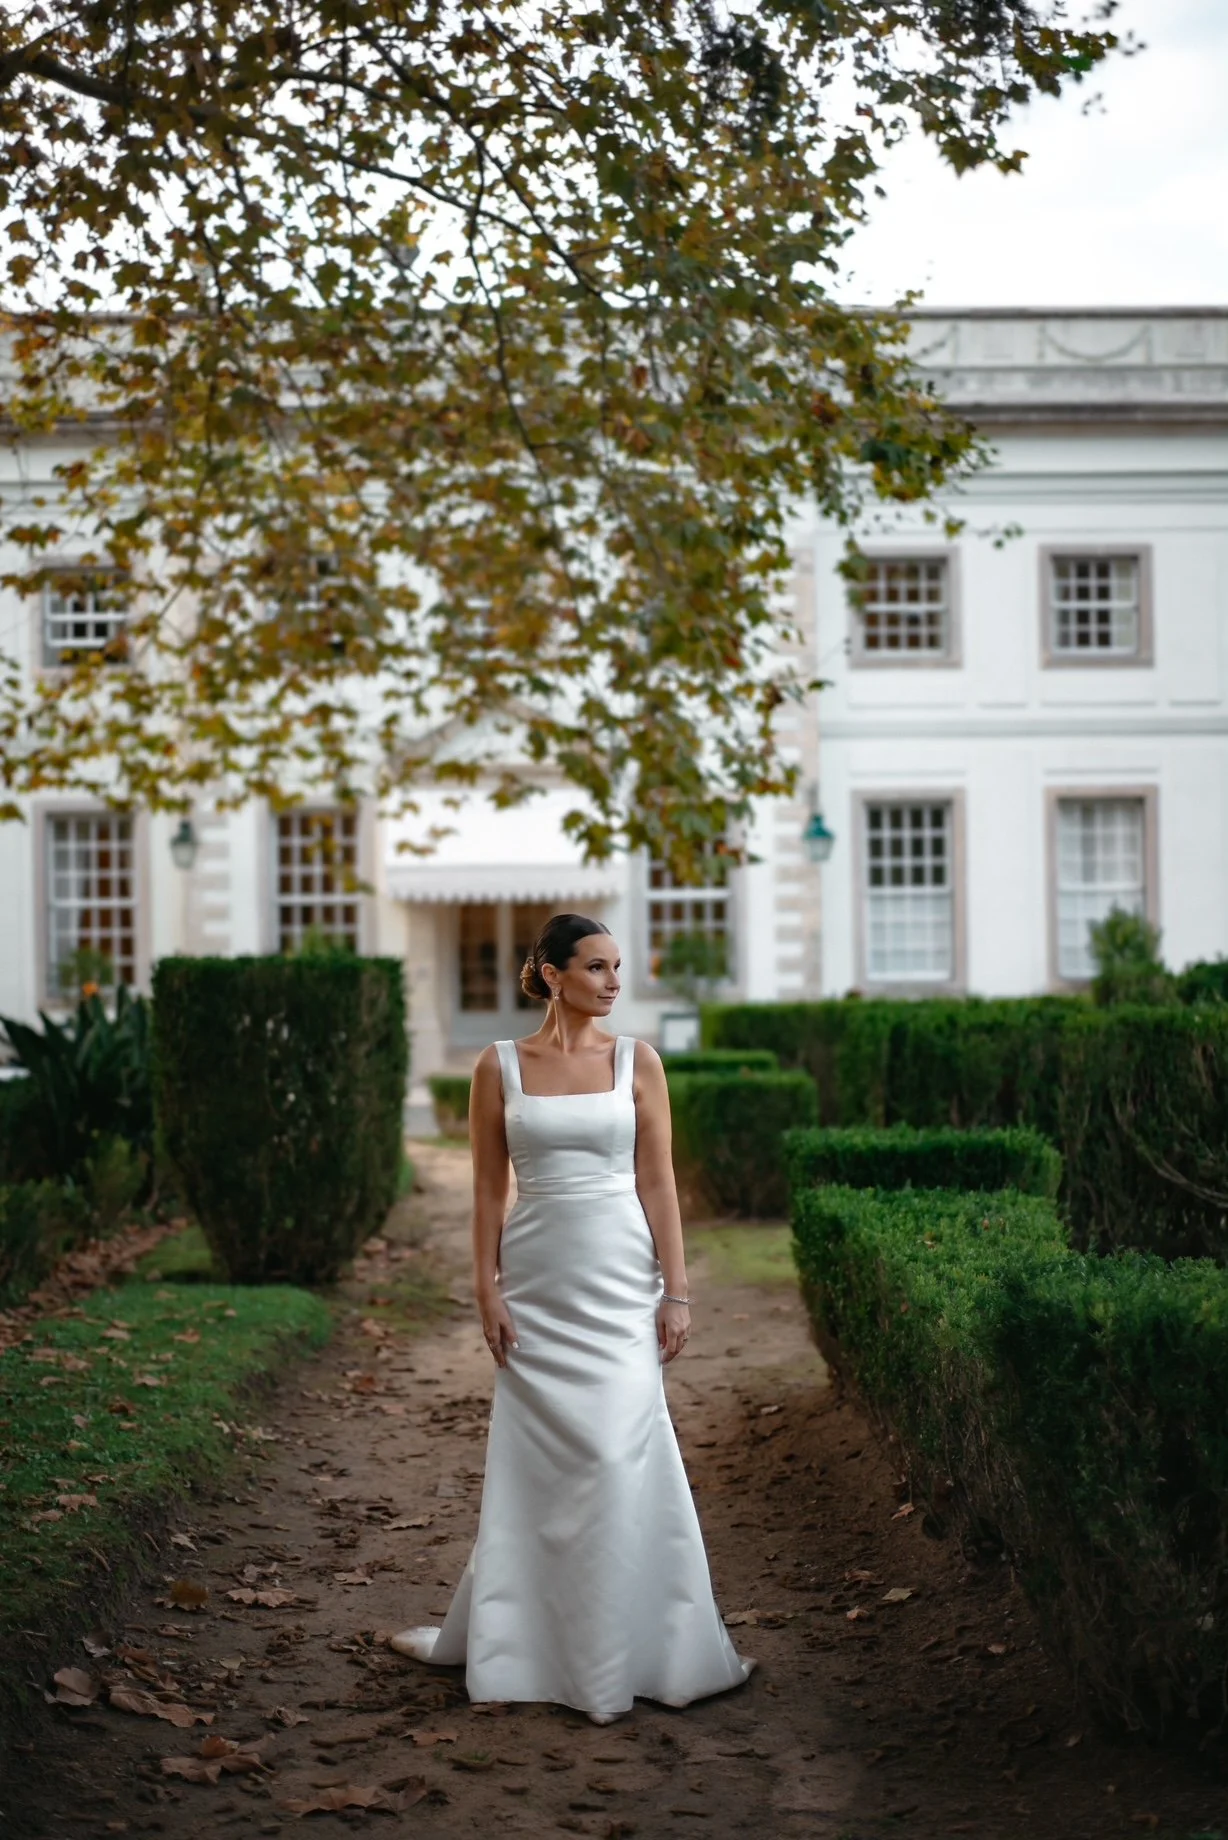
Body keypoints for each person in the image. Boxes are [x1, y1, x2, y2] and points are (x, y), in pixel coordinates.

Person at [390, 912, 754, 1724]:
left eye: (617, 967)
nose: (613, 982)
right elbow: (489, 1189)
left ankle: (634, 1647)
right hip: (537, 1284)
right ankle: (529, 1647)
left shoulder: (639, 1062)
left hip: (621, 1280)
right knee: (543, 1468)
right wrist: (486, 1288)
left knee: (618, 1451)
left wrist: (677, 1290)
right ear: (552, 975)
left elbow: (659, 1183)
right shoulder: (498, 1066)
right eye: (596, 967)